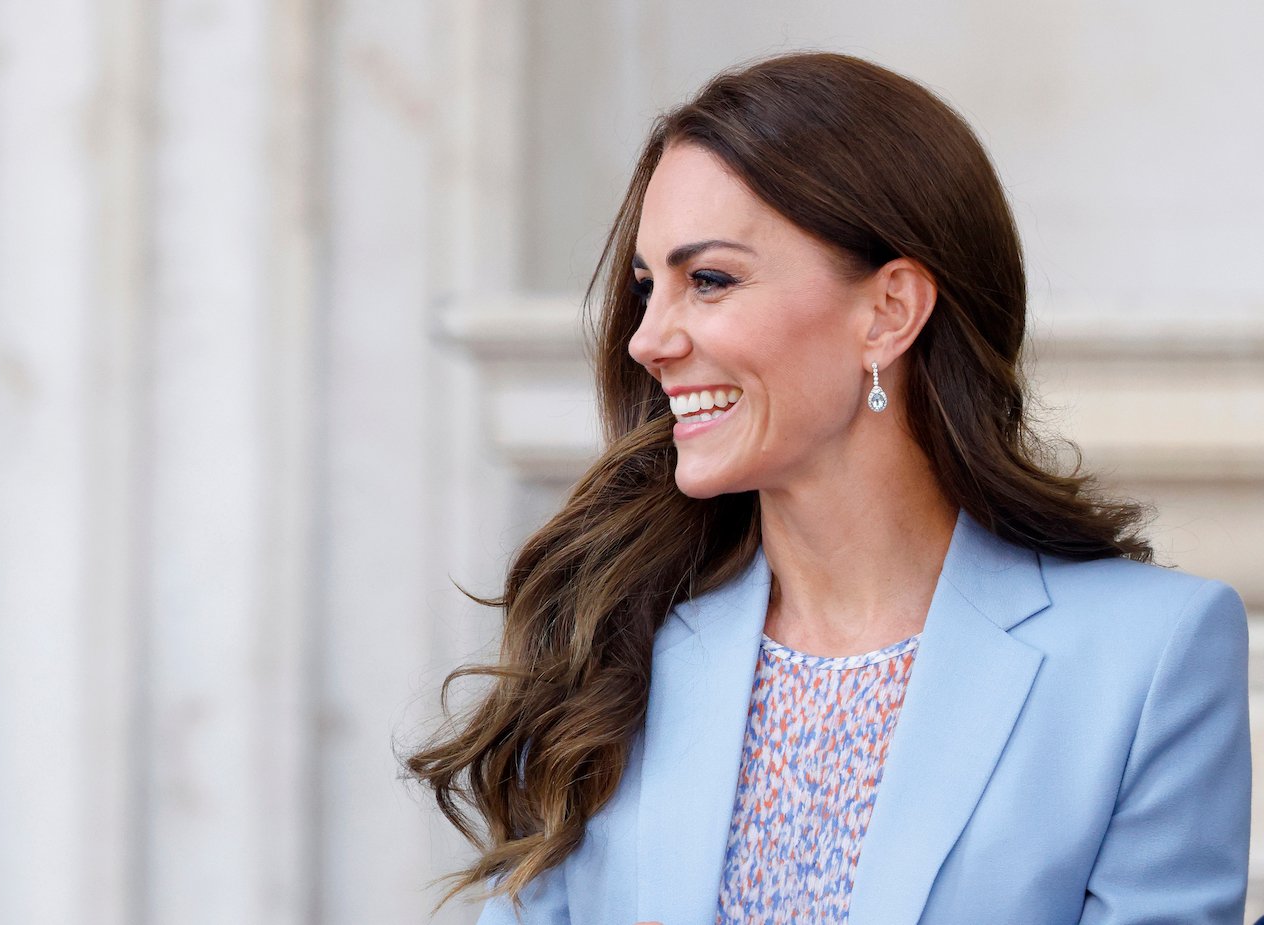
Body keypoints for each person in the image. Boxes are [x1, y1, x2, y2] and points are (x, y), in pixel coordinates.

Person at [407, 53, 1251, 924]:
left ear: (890, 310)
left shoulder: (1149, 657)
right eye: (648, 287)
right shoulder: (610, 638)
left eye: (709, 280)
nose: (648, 339)